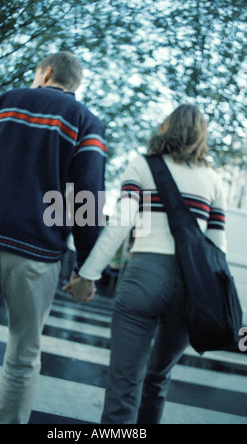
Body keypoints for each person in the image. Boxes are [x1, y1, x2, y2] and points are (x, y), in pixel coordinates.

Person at [0, 51, 106, 424]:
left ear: (45, 72)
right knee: (21, 359)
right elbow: (85, 197)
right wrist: (85, 267)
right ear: (74, 84)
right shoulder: (85, 121)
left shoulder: (2, 103)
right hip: (36, 250)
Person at [64, 104, 227, 424]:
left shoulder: (142, 166)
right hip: (190, 287)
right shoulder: (215, 181)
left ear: (166, 127)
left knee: (123, 385)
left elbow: (120, 225)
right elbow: (217, 248)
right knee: (157, 379)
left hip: (144, 276)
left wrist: (88, 274)